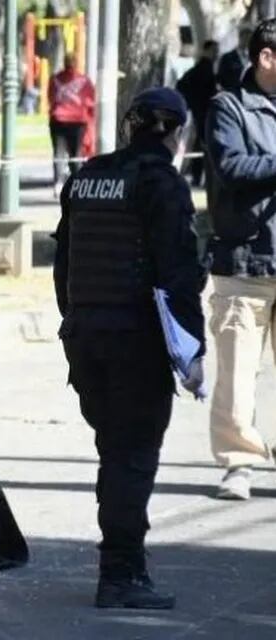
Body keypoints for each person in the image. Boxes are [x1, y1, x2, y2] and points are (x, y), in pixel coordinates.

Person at [54, 87, 207, 610]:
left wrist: (73, 321)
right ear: (175, 133)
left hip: (85, 337)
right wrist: (191, 352)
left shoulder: (88, 175)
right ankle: (121, 574)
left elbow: (64, 263)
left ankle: (121, 566)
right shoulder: (160, 183)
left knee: (114, 451)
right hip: (134, 342)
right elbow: (178, 274)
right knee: (131, 456)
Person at [204, 18, 276, 501]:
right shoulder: (227, 108)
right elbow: (231, 167)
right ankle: (239, 462)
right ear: (266, 58)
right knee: (235, 375)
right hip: (245, 262)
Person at [48, 54, 95, 198]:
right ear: (76, 63)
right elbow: (90, 102)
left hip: (58, 120)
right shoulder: (84, 81)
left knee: (58, 153)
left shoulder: (55, 79)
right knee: (76, 154)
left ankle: (58, 183)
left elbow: (51, 98)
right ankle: (77, 184)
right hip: (77, 121)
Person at [176, 40, 220, 186]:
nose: (216, 54)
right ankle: (198, 176)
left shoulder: (204, 68)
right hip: (201, 114)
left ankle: (197, 176)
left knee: (198, 145)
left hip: (198, 113)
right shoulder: (204, 69)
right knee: (201, 145)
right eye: (214, 50)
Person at [218, 24, 253, 93]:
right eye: (246, 38)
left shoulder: (252, 57)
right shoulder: (227, 58)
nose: (247, 41)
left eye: (250, 39)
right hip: (234, 94)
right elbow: (222, 79)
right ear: (240, 37)